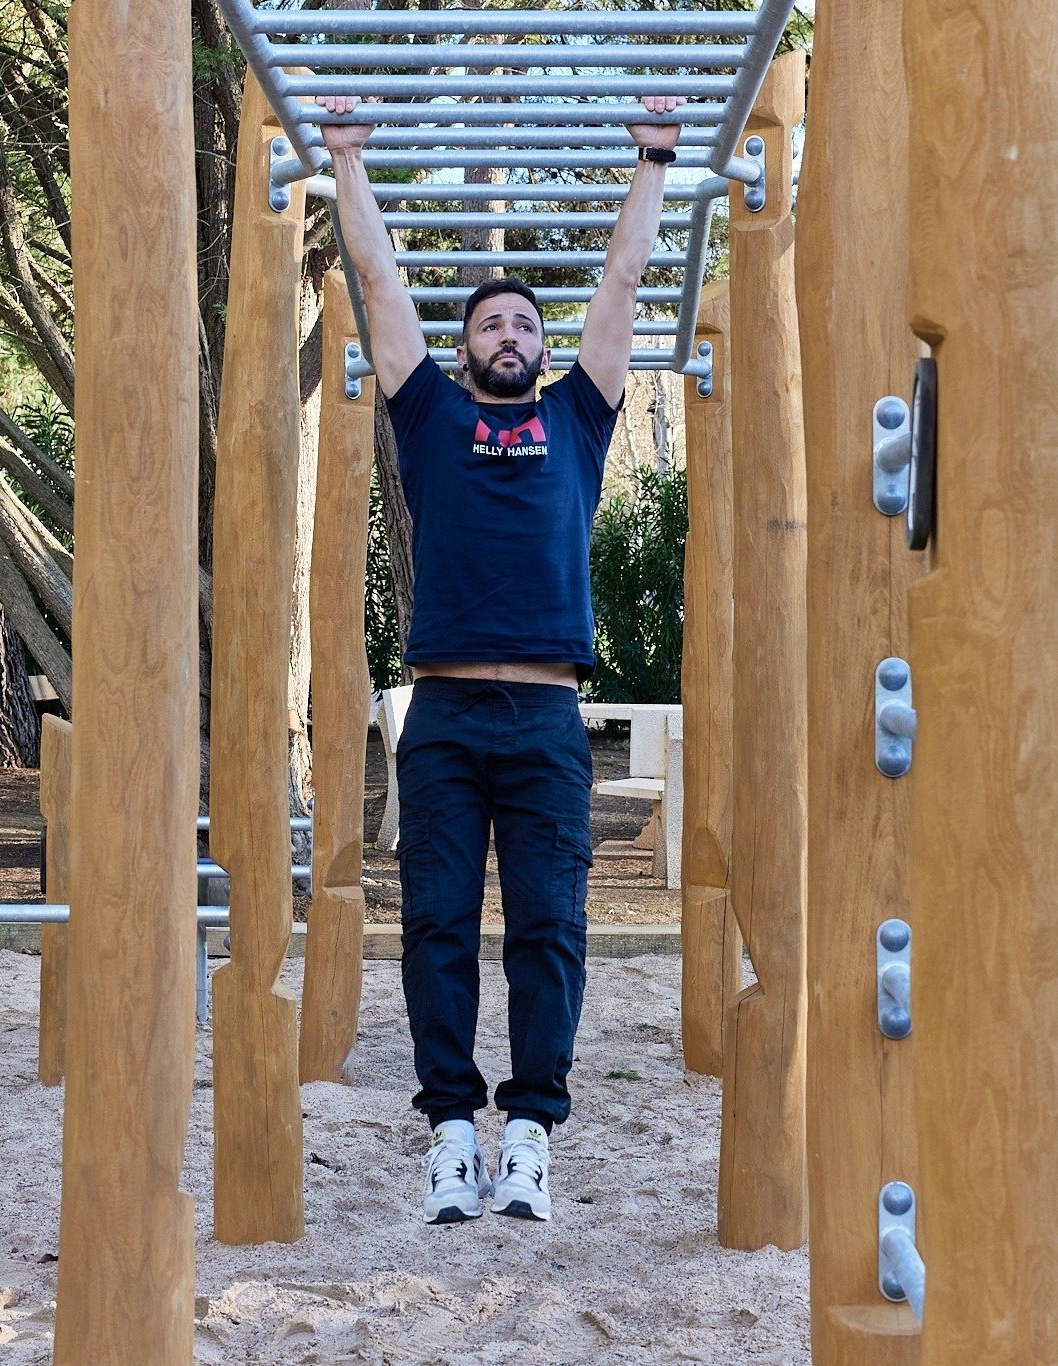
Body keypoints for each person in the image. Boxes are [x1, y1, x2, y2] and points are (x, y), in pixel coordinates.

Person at [316, 92, 683, 1224]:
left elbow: (618, 288)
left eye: (523, 323)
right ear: (466, 348)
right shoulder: (425, 417)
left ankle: (526, 1130)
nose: (510, 334)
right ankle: (446, 1131)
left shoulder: (577, 418)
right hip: (441, 716)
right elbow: (381, 287)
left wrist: (652, 161)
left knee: (547, 927)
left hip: (542, 720)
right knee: (433, 921)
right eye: (490, 325)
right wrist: (345, 162)